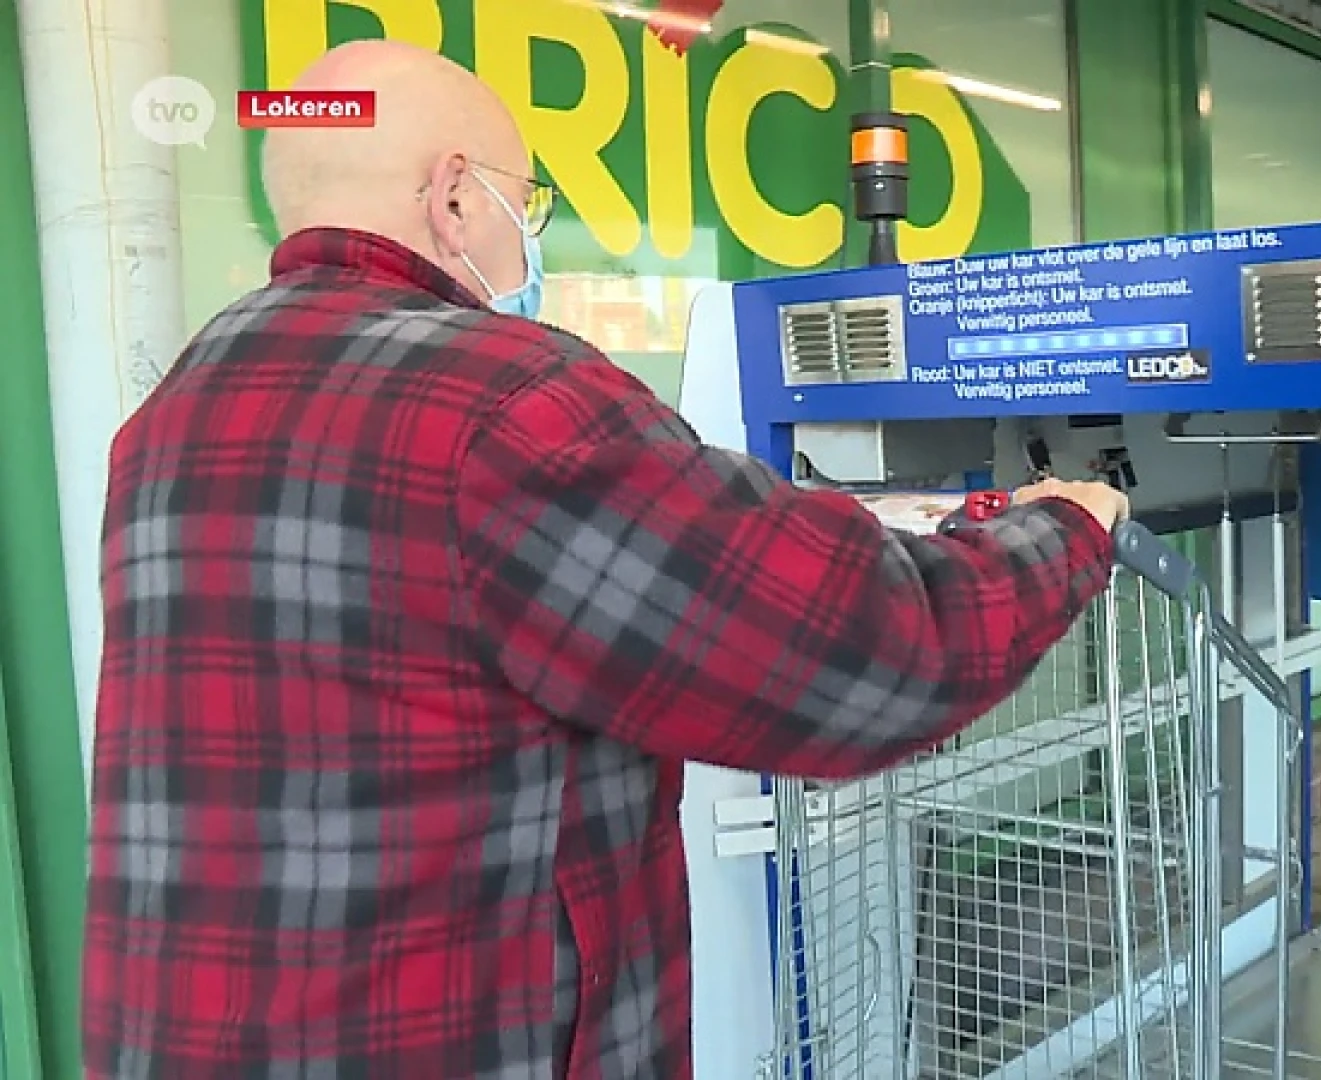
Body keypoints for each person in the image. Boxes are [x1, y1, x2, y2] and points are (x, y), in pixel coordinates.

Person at [82, 39, 1128, 1080]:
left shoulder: (174, 411)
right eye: (521, 201)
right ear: (453, 198)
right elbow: (874, 651)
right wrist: (1066, 528)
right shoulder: (503, 403)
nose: (523, 234)